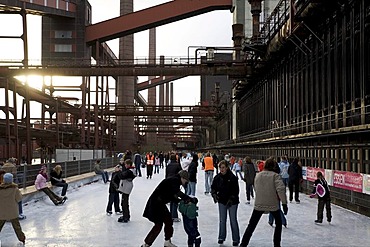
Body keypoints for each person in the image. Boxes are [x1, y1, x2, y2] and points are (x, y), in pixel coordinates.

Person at [239, 158, 288, 247]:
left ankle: (243, 243)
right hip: (273, 204)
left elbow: (256, 188)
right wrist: (284, 203)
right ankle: (277, 244)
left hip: (259, 204)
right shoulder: (275, 176)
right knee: (278, 224)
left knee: (251, 225)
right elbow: (281, 190)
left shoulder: (258, 175)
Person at [141, 170, 195, 247]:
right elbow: (177, 192)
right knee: (160, 223)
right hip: (156, 203)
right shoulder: (175, 180)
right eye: (186, 181)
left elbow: (171, 195)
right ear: (183, 178)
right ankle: (148, 243)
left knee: (167, 221)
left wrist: (179, 200)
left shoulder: (174, 180)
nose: (185, 183)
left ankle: (166, 241)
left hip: (158, 203)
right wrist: (188, 199)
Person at [211, 160, 240, 246]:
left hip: (232, 202)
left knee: (233, 220)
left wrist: (231, 199)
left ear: (227, 168)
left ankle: (236, 239)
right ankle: (221, 237)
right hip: (222, 201)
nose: (222, 169)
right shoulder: (217, 178)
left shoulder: (232, 178)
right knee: (222, 220)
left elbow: (236, 190)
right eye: (220, 168)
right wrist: (214, 194)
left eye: (223, 167)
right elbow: (213, 188)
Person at [0, 173, 26, 244]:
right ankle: (22, 238)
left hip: (2, 212)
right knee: (17, 227)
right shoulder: (15, 189)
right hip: (13, 212)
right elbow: (19, 199)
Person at [166, 153, 183, 222]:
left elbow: (166, 174)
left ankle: (171, 215)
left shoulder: (168, 165)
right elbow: (181, 173)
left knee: (171, 199)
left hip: (169, 182)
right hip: (175, 183)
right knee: (175, 199)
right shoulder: (177, 165)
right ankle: (174, 216)